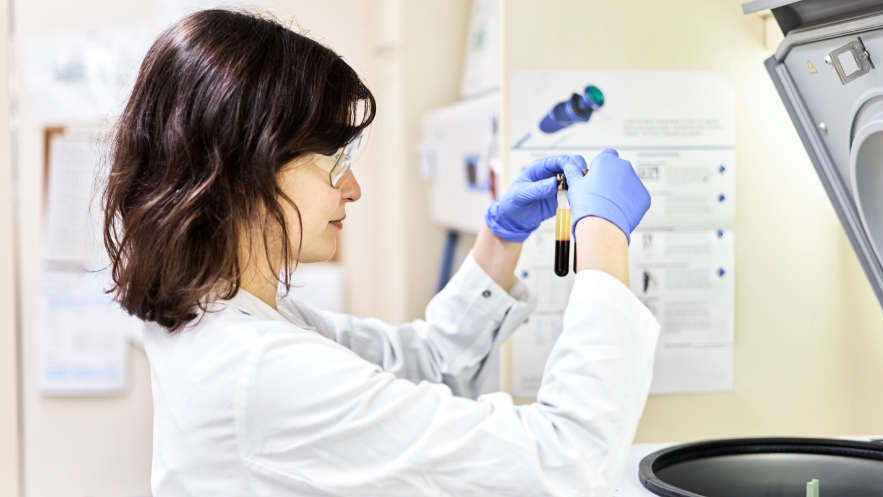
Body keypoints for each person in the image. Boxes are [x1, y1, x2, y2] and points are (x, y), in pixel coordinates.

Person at [102, 9, 659, 497]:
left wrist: (501, 238)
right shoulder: (259, 372)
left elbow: (424, 365)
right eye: (334, 160)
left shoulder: (230, 314)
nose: (352, 188)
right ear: (245, 168)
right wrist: (602, 241)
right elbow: (566, 461)